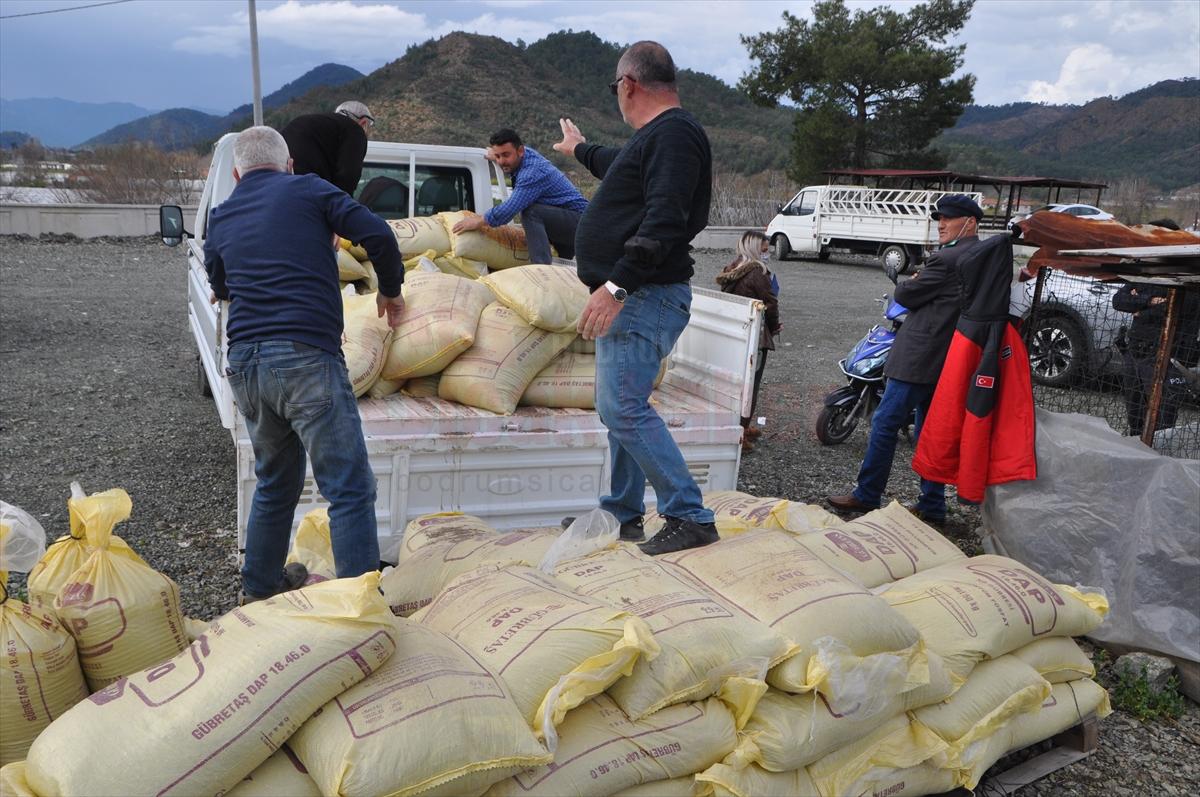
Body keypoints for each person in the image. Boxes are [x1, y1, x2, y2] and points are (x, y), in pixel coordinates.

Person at [204, 126, 405, 603]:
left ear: (237, 173)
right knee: (349, 487)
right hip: (305, 358)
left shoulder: (223, 214)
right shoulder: (311, 190)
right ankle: (359, 603)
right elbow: (378, 234)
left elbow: (222, 283)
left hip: (247, 365)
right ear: (289, 164)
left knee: (275, 481)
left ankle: (260, 589)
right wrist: (391, 293)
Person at [552, 40, 718, 556]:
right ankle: (623, 514)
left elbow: (664, 219)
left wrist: (616, 285)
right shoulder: (660, 138)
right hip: (639, 293)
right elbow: (617, 163)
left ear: (629, 84)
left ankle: (689, 515)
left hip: (643, 294)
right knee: (620, 408)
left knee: (621, 408)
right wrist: (578, 149)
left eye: (615, 88)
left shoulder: (674, 137)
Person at [826, 195, 985, 525]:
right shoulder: (980, 256)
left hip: (919, 356)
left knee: (885, 422)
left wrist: (912, 283)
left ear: (969, 222)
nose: (940, 223)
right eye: (939, 218)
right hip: (947, 357)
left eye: (949, 218)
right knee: (930, 430)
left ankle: (867, 494)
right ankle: (932, 503)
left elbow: (905, 295)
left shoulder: (947, 259)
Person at [1112, 220, 1200, 437]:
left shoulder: (1186, 271)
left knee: (1161, 424)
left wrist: (1142, 307)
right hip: (1135, 352)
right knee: (1136, 418)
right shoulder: (1145, 267)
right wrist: (1151, 300)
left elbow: (1181, 307)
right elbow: (1119, 300)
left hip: (1169, 356)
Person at [450, 128, 588, 264]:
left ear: (520, 151)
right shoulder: (524, 156)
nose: (502, 161)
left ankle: (541, 267)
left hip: (583, 222)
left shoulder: (532, 173)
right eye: (498, 156)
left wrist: (478, 220)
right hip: (566, 221)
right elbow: (508, 157)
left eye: (506, 155)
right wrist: (501, 156)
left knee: (531, 212)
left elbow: (509, 209)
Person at [715, 230, 782, 453]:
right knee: (750, 388)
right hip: (756, 335)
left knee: (734, 384)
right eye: (765, 247)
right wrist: (774, 327)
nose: (768, 251)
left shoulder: (731, 269)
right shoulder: (758, 273)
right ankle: (740, 434)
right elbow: (770, 304)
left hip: (735, 331)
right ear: (756, 248)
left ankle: (737, 426)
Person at [280, 101, 374, 196]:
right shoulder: (355, 130)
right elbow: (348, 177)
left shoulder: (319, 125)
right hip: (309, 188)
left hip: (282, 184)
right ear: (364, 123)